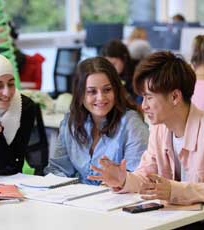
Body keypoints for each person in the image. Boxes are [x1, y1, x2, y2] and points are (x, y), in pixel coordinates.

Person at [88, 51, 204, 229]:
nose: (144, 105)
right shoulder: (159, 130)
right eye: (143, 97)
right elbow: (146, 177)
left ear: (175, 97)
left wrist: (175, 190)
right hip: (173, 219)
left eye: (149, 97)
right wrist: (123, 180)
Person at [44, 57, 149, 185]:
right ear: (80, 94)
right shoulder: (71, 122)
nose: (100, 97)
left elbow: (138, 177)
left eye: (107, 90)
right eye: (91, 91)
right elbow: (57, 169)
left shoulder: (131, 124)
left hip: (116, 199)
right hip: (78, 200)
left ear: (116, 90)